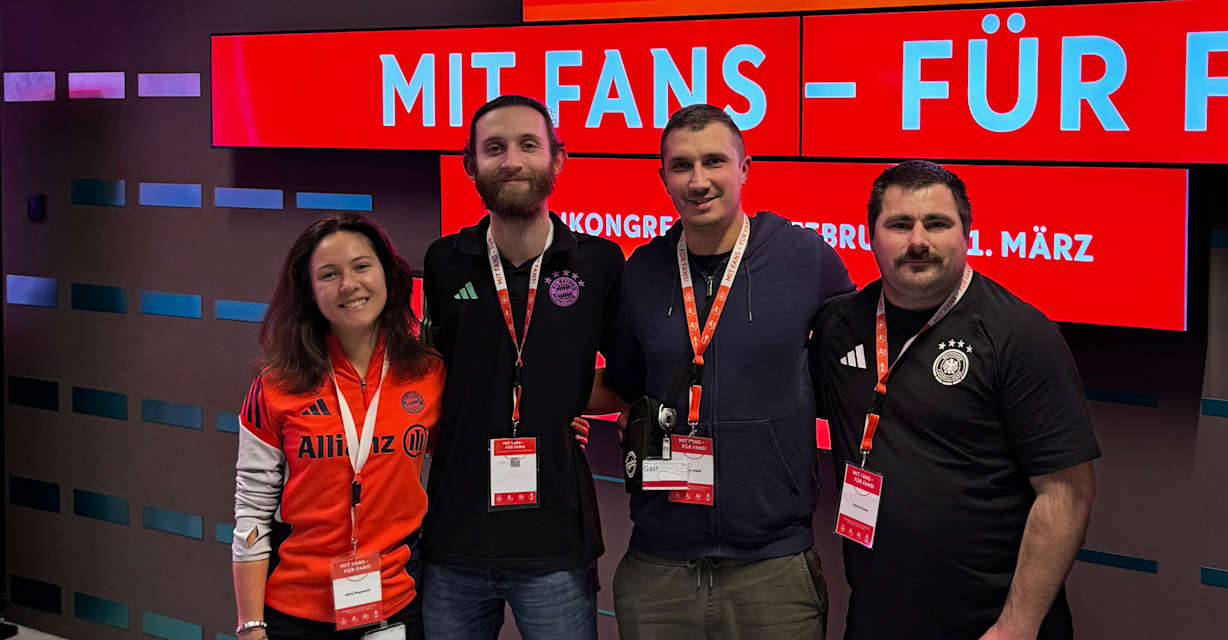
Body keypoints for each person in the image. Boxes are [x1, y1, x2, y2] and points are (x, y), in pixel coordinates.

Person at [809, 160, 1100, 639]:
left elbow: (1066, 493)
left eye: (937, 224)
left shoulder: (1018, 333)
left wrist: (1017, 626)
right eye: (900, 225)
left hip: (987, 626)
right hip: (877, 620)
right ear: (870, 235)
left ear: (968, 233)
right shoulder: (840, 326)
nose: (918, 241)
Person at [602, 104, 855, 639]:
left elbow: (858, 368)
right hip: (659, 565)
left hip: (773, 567)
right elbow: (625, 383)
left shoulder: (804, 257)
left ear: (743, 168)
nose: (699, 181)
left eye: (714, 161)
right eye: (681, 166)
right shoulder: (642, 270)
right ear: (663, 176)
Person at [418, 94, 624, 639]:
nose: (511, 160)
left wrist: (558, 404)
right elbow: (433, 376)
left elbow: (626, 379)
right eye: (495, 148)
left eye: (528, 145)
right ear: (470, 165)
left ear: (558, 159)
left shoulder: (599, 262)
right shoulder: (445, 261)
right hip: (453, 538)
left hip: (556, 541)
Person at [231, 213, 445, 640]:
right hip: (295, 612)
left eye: (362, 266)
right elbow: (251, 510)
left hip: (395, 607)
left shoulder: (429, 373)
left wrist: (559, 424)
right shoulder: (275, 386)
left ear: (388, 272)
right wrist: (251, 627)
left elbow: (468, 446)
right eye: (329, 275)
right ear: (310, 292)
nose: (349, 284)